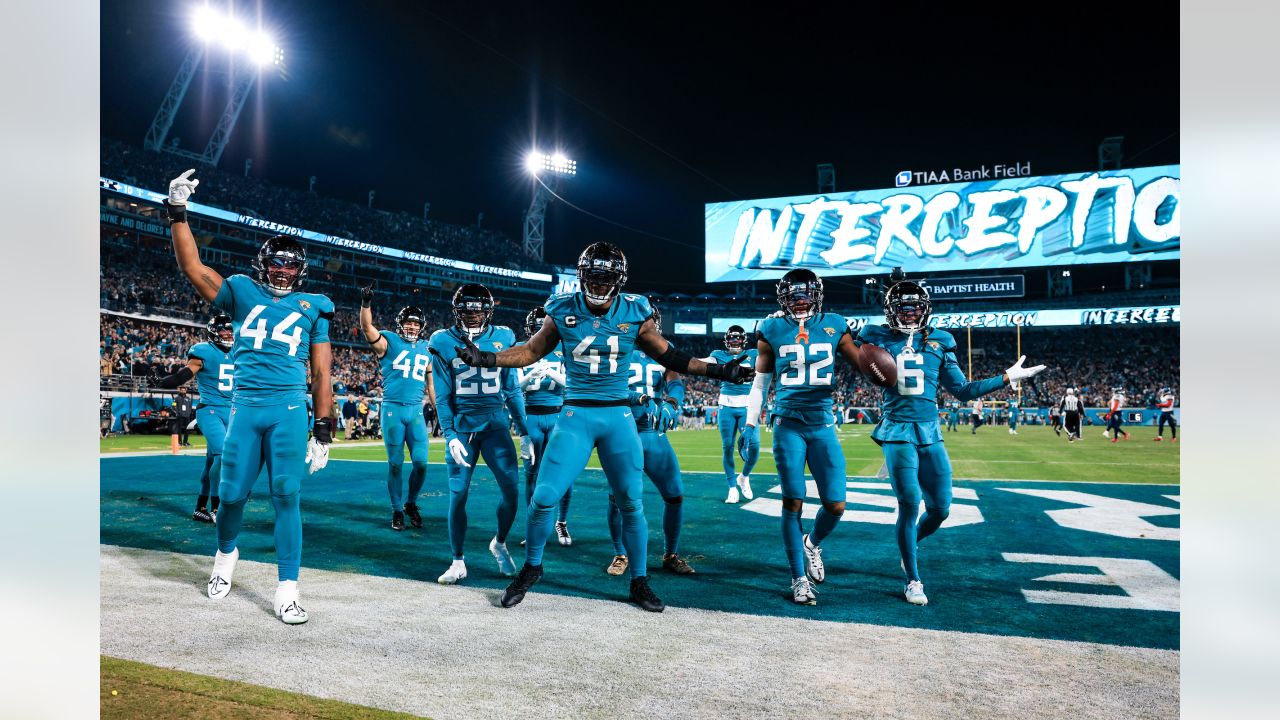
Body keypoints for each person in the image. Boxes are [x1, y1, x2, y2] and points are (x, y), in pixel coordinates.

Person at [461, 242, 753, 612]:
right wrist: (487, 358)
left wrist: (716, 369)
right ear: (582, 276)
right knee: (543, 497)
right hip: (576, 415)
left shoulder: (635, 310)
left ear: (619, 280)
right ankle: (532, 568)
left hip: (618, 416)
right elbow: (530, 351)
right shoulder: (562, 307)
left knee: (632, 502)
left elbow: (671, 356)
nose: (598, 285)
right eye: (592, 277)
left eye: (606, 278)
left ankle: (639, 581)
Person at [165, 169, 334, 625]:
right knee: (232, 494)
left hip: (288, 411)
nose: (283, 270)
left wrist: (324, 426)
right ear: (265, 264)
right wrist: (178, 213)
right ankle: (224, 557)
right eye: (277, 263)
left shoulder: (314, 305)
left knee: (286, 493)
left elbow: (321, 371)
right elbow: (193, 269)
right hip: (245, 408)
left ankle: (288, 587)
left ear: (301, 270)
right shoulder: (240, 289)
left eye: (290, 265)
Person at [856, 277, 1044, 605]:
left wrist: (1006, 377)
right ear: (890, 310)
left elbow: (962, 390)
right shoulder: (875, 337)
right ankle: (913, 579)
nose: (911, 314)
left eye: (916, 308)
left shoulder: (941, 340)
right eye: (904, 308)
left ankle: (909, 545)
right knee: (910, 502)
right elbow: (839, 342)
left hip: (930, 431)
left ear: (926, 310)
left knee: (941, 509)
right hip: (897, 429)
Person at [741, 269, 865, 606]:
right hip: (788, 424)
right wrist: (750, 425)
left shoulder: (835, 324)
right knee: (793, 500)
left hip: (822, 423)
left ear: (817, 294)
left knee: (836, 504)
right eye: (793, 294)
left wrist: (881, 359)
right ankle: (798, 579)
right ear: (783, 297)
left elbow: (862, 363)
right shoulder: (771, 328)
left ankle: (812, 543)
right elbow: (760, 383)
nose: (800, 299)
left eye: (805, 293)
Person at [429, 283, 531, 585]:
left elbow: (511, 388)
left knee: (512, 492)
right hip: (462, 428)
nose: (472, 316)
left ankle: (499, 541)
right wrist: (449, 434)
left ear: (489, 311)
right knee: (458, 495)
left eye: (478, 310)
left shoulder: (503, 336)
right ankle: (457, 560)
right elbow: (443, 395)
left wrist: (524, 431)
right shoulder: (442, 341)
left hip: (495, 425)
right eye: (466, 309)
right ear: (455, 310)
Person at [606, 307, 695, 577]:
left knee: (675, 495)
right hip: (622, 431)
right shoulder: (614, 345)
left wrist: (672, 402)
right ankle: (621, 553)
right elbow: (607, 386)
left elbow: (674, 380)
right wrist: (639, 399)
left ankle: (670, 553)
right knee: (618, 499)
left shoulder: (663, 348)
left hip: (653, 433)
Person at [360, 288, 433, 531]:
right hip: (392, 410)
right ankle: (396, 509)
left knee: (421, 463)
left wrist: (439, 409)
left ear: (421, 326)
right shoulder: (389, 341)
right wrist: (366, 302)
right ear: (400, 324)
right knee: (395, 464)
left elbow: (431, 383)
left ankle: (411, 503)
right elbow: (367, 328)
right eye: (408, 323)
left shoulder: (427, 348)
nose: (411, 327)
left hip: (415, 412)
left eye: (415, 323)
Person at [153, 314, 236, 523]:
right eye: (223, 329)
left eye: (229, 329)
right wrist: (165, 382)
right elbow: (185, 373)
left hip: (233, 412)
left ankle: (200, 507)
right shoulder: (203, 351)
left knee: (212, 463)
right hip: (210, 411)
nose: (227, 333)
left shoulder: (239, 351)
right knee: (222, 456)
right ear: (213, 332)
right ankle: (217, 507)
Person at [515, 307, 571, 545]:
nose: (539, 331)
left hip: (558, 416)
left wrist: (551, 373)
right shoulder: (522, 349)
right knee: (531, 474)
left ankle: (562, 522)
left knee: (564, 473)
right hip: (531, 418)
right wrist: (530, 376)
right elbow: (514, 389)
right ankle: (533, 525)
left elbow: (571, 384)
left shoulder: (563, 349)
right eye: (535, 327)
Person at [703, 325, 758, 503]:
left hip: (747, 405)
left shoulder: (754, 353)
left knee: (754, 446)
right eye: (732, 338)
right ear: (727, 340)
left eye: (738, 338)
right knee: (727, 447)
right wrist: (679, 358)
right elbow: (704, 361)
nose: (735, 341)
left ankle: (744, 476)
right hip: (726, 405)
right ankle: (732, 488)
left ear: (744, 339)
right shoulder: (719, 354)